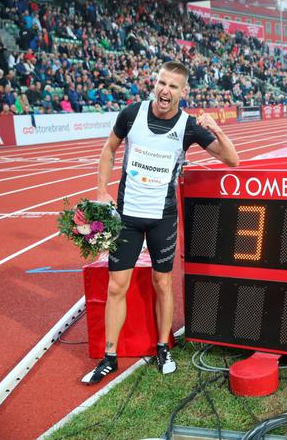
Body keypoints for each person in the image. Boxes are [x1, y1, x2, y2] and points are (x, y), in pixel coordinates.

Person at [82, 61, 239, 385]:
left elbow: (231, 160)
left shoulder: (189, 126)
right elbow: (108, 150)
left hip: (163, 218)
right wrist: (101, 191)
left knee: (162, 283)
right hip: (127, 215)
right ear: (155, 84)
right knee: (115, 286)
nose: (165, 91)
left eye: (173, 86)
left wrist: (218, 129)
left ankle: (162, 347)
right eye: (162, 83)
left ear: (183, 92)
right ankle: (109, 357)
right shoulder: (131, 114)